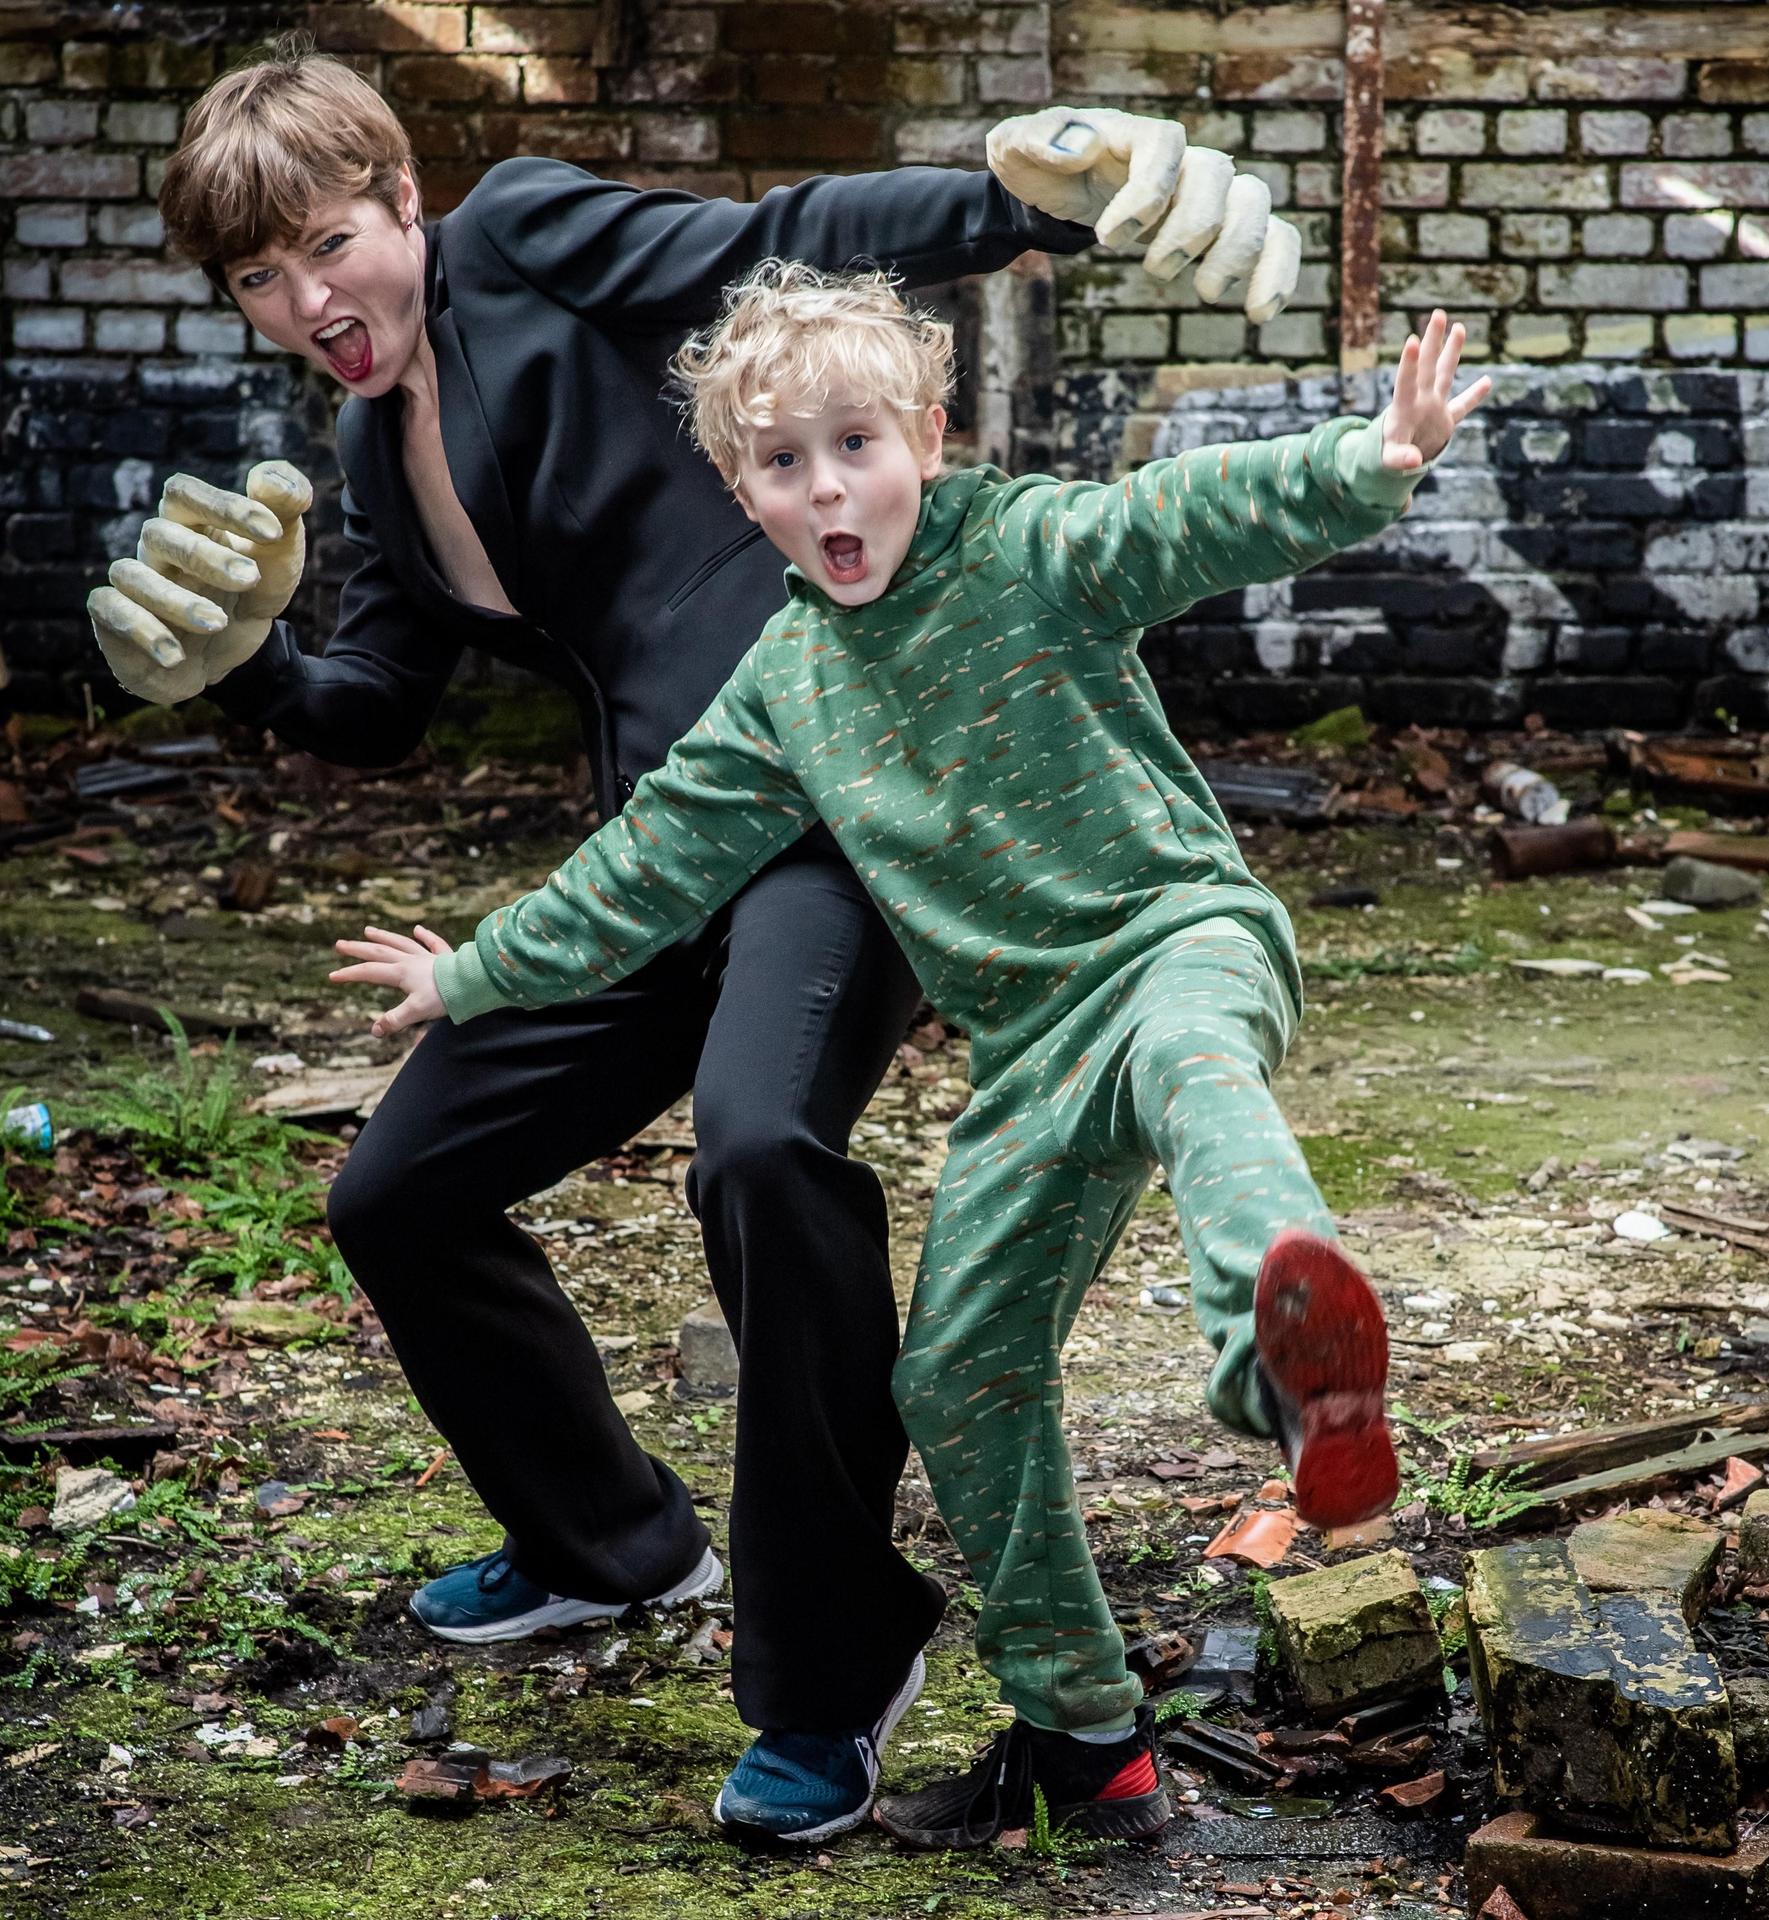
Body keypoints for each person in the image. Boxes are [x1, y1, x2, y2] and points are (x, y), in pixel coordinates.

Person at [80, 39, 1303, 1844]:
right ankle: (611, 1540)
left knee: (760, 1147)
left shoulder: (526, 239)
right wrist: (243, 664)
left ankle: (836, 1663)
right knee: (395, 1189)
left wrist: (1014, 201)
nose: (307, 302)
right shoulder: (365, 440)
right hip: (666, 846)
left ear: (406, 200)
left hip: (836, 811)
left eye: (329, 245)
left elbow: (778, 236)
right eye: (258, 279)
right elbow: (374, 704)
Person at [327, 261, 1492, 1849]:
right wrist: (471, 970)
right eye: (784, 466)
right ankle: (1089, 1738)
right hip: (1028, 1046)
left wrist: (1365, 464)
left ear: (928, 437)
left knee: (1200, 1079)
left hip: (1170, 947)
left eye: (855, 444)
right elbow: (648, 867)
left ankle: (1294, 1367)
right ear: (742, 495)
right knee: (955, 1373)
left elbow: (1179, 514)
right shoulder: (788, 689)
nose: (828, 489)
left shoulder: (1026, 547)